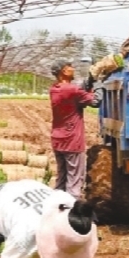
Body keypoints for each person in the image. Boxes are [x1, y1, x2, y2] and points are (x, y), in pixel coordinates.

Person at [49, 58, 102, 200]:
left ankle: (55, 209)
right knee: (74, 182)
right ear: (64, 71)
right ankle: (70, 213)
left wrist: (89, 80)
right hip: (72, 141)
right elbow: (96, 101)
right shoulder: (71, 90)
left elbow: (77, 92)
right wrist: (99, 82)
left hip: (58, 140)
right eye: (70, 66)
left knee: (61, 180)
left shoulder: (54, 89)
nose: (73, 68)